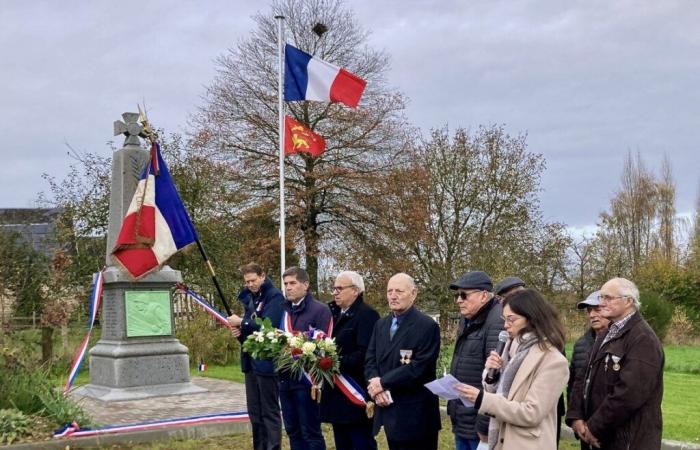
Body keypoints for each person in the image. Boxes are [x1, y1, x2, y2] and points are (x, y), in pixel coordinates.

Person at [456, 289, 569, 450]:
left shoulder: (553, 361)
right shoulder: (510, 348)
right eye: (504, 318)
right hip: (501, 439)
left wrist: (482, 399)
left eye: (511, 319)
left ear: (532, 319)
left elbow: (531, 413)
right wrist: (491, 376)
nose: (505, 325)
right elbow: (499, 392)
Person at [566, 278, 664, 450]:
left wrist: (594, 428)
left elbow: (628, 394)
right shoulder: (607, 333)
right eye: (601, 297)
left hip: (627, 441)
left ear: (628, 301)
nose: (601, 302)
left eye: (608, 298)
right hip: (600, 439)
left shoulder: (643, 339)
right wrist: (576, 417)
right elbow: (583, 376)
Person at [365, 273, 441, 450]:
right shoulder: (381, 325)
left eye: (399, 291)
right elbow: (370, 360)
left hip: (416, 416)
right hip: (389, 408)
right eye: (389, 291)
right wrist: (376, 389)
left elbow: (419, 367)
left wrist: (383, 383)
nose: (393, 295)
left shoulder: (427, 326)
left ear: (413, 293)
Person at [227, 263, 284, 450]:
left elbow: (269, 327)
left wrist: (242, 322)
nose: (250, 284)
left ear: (263, 276)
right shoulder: (250, 297)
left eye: (253, 280)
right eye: (247, 281)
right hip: (251, 362)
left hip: (267, 362)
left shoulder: (274, 296)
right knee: (255, 412)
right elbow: (250, 331)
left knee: (269, 411)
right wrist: (240, 333)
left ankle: (272, 446)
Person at [320, 271, 380, 450]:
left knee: (361, 442)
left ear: (355, 290)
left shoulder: (367, 315)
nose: (335, 292)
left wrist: (335, 362)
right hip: (337, 392)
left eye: (339, 288)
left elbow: (365, 353)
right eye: (334, 288)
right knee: (342, 442)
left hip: (356, 391)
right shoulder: (332, 314)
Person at [447, 271, 504, 450]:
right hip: (463, 416)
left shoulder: (496, 322)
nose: (459, 300)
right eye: (457, 295)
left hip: (479, 422)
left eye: (464, 295)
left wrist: (484, 424)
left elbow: (494, 379)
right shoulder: (467, 320)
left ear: (483, 296)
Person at [278, 266, 333, 450]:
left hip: (307, 381)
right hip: (285, 380)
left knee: (310, 432)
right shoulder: (284, 310)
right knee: (293, 431)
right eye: (286, 284)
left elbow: (324, 347)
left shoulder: (320, 310)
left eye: (293, 283)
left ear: (306, 285)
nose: (288, 288)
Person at [567, 290, 609, 450]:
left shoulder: (621, 344)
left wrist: (598, 426)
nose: (592, 315)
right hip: (584, 427)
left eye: (597, 309)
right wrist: (575, 419)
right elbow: (573, 385)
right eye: (589, 310)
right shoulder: (581, 344)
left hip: (611, 429)